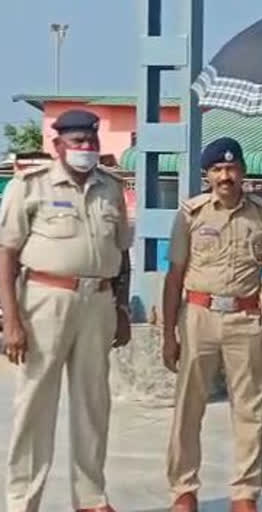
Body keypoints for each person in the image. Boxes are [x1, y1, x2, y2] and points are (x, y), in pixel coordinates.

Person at [0, 109, 132, 512]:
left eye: (91, 142)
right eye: (77, 142)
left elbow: (121, 252)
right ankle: (23, 501)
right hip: (45, 300)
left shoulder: (111, 187)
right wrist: (11, 320)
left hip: (99, 302)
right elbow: (6, 253)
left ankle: (90, 498)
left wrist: (122, 306)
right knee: (35, 405)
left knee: (93, 404)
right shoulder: (31, 186)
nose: (86, 148)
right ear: (57, 146)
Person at [162, 137, 262, 512]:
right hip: (198, 317)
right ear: (207, 175)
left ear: (243, 173)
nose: (225, 176)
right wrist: (169, 334)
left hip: (246, 318)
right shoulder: (191, 214)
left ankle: (245, 493)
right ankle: (184, 490)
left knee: (250, 410)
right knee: (188, 406)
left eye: (232, 169)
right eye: (218, 170)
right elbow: (175, 276)